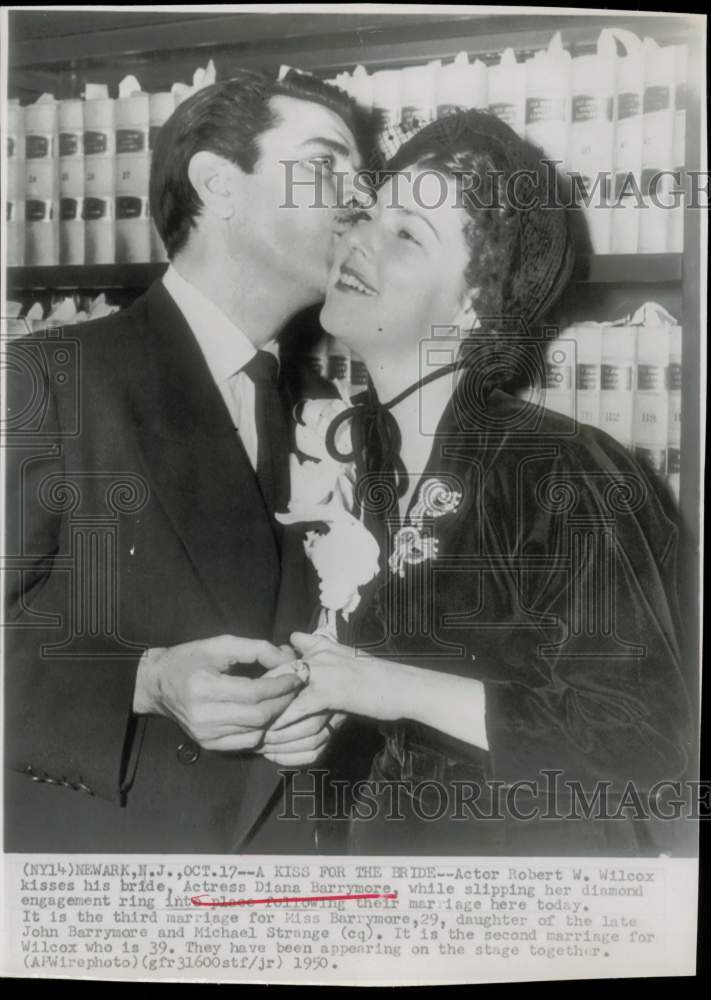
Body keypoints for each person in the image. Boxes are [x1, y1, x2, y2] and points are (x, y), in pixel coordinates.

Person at [264, 111, 693, 856]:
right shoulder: (353, 452)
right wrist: (321, 714)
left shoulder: (562, 471)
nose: (357, 237)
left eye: (407, 233)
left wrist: (383, 688)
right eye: (368, 211)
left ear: (471, 306)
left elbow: (644, 744)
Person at [3, 70, 377, 852]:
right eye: (326, 165)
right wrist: (143, 680)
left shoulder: (333, 410)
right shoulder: (49, 378)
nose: (360, 199)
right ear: (218, 184)